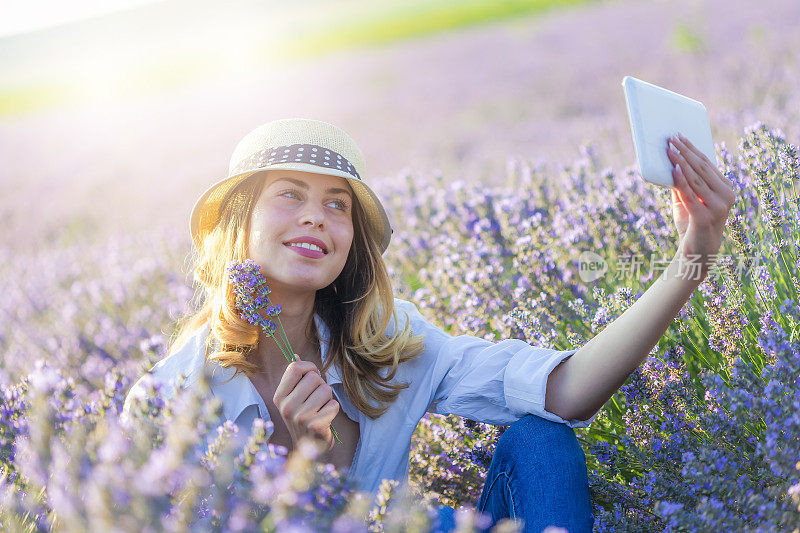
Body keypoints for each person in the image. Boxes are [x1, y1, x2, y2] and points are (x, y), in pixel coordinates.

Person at [123, 118, 736, 532]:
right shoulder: (171, 397)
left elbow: (565, 392)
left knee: (541, 438)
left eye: (337, 204)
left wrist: (694, 257)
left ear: (352, 240)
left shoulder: (386, 343)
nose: (316, 218)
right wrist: (299, 466)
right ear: (240, 222)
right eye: (289, 195)